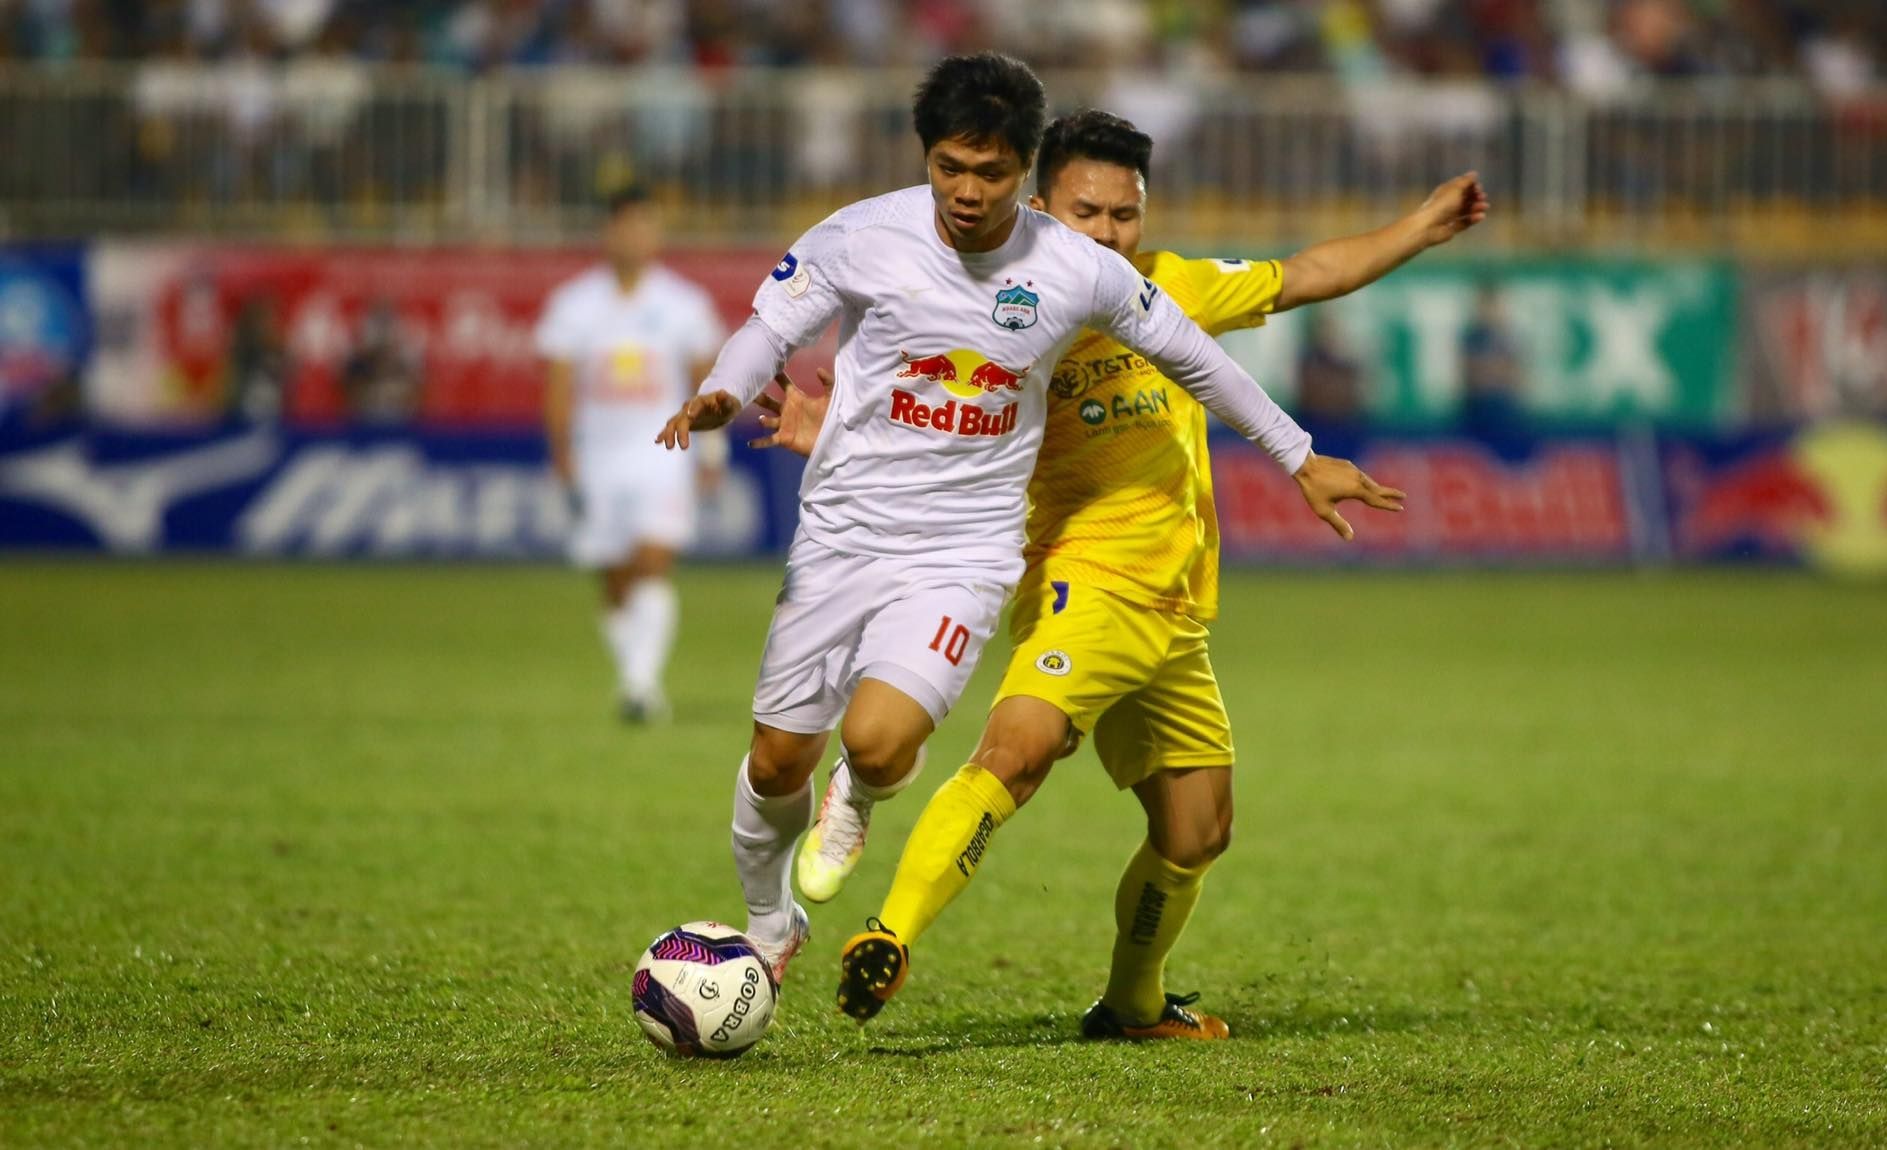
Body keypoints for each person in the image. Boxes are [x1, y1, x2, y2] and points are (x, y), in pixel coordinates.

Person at [654, 56, 1403, 985]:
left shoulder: (1076, 271)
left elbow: (1198, 359)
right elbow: (770, 327)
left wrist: (1298, 455)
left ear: (1026, 174)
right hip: (844, 530)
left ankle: (861, 795)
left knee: (879, 743)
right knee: (774, 762)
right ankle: (771, 922)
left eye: (991, 173)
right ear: (927, 158)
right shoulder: (859, 238)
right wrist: (721, 389)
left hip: (965, 550)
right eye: (948, 168)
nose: (967, 192)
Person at [758, 110, 1487, 1038]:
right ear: (1038, 206)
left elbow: (1306, 274)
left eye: (1125, 214)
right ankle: (889, 936)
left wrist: (1420, 227)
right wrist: (842, 430)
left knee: (1197, 831)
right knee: (1017, 754)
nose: (1108, 232)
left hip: (1176, 611)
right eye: (1088, 211)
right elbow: (929, 404)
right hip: (1082, 583)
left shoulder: (1166, 287)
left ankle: (1134, 1003)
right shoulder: (1010, 302)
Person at [536, 183, 728, 723]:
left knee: (653, 559)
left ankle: (640, 689)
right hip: (598, 455)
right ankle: (637, 682)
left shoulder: (683, 304)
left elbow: (704, 385)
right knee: (614, 576)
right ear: (609, 231)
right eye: (629, 225)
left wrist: (712, 454)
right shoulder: (574, 304)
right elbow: (558, 387)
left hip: (662, 453)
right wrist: (562, 453)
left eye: (648, 225)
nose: (639, 236)